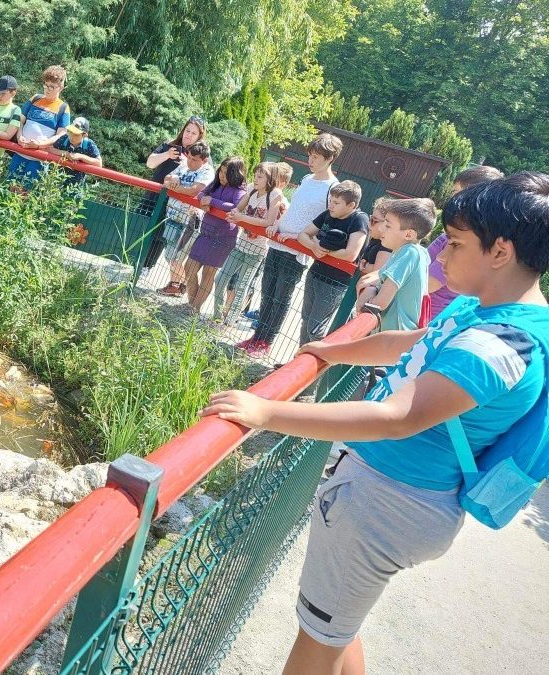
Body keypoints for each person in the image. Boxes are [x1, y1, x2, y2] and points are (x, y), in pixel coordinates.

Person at [199, 171, 549, 675]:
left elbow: (398, 416)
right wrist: (332, 351)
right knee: (336, 628)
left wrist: (265, 412)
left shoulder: (501, 342)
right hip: (386, 495)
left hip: (388, 502)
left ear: (501, 251)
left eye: (454, 243)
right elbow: (408, 343)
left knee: (316, 646)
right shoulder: (483, 310)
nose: (441, 255)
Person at [237, 133, 342, 357]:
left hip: (297, 250)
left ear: (329, 157)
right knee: (267, 292)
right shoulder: (306, 179)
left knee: (281, 297)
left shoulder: (333, 188)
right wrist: (278, 224)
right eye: (310, 156)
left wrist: (301, 237)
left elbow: (325, 220)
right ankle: (257, 337)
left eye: (316, 157)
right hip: (278, 243)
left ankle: (266, 342)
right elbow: (294, 208)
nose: (310, 161)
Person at [213, 162, 291, 326]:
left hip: (257, 250)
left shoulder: (275, 195)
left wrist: (242, 218)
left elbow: (268, 221)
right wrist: (235, 213)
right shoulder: (251, 189)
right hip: (241, 244)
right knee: (221, 279)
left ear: (270, 179)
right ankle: (217, 316)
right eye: (255, 175)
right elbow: (239, 208)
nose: (255, 179)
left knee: (242, 286)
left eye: (260, 177)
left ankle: (230, 321)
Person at [297, 180, 369, 344]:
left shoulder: (359, 220)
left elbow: (351, 253)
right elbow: (303, 235)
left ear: (351, 205)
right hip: (315, 273)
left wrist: (325, 252)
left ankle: (319, 365)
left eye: (336, 202)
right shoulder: (328, 214)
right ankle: (298, 361)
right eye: (331, 200)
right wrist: (315, 247)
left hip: (336, 282)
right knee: (306, 320)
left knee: (316, 328)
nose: (331, 205)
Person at [426, 165, 504, 316]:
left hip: (427, 316)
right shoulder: (450, 236)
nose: (452, 199)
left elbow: (429, 283)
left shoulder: (468, 240)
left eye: (456, 193)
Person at [355, 198, 435, 332]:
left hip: (388, 339)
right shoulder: (418, 253)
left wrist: (366, 300)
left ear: (408, 234)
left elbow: (380, 303)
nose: (381, 228)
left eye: (388, 226)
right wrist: (372, 288)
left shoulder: (409, 253)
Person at [142, 116, 208, 270]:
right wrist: (167, 155)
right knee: (141, 226)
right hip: (152, 197)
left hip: (174, 204)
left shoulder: (201, 157)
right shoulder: (169, 145)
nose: (188, 135)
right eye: (187, 130)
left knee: (160, 236)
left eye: (193, 133)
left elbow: (204, 182)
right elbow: (149, 163)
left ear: (199, 137)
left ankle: (147, 267)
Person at [184, 157, 248, 313]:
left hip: (223, 237)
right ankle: (192, 304)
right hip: (205, 233)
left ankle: (194, 309)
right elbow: (201, 194)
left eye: (227, 173)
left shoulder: (240, 190)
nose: (222, 176)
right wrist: (204, 200)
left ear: (235, 174)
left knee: (208, 273)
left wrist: (211, 201)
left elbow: (234, 206)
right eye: (221, 171)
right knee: (189, 268)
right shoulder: (215, 184)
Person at [155, 143, 214, 297]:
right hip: (173, 215)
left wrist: (174, 188)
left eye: (195, 160)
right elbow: (166, 179)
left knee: (176, 256)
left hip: (189, 219)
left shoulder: (207, 172)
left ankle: (180, 285)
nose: (190, 162)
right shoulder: (183, 165)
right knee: (169, 255)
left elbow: (194, 190)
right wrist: (173, 178)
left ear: (204, 160)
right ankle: (178, 285)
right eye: (189, 157)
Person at [8, 65, 71, 184]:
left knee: (26, 192)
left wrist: (39, 145)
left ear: (61, 87)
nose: (47, 89)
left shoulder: (63, 108)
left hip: (39, 159)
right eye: (46, 85)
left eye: (52, 87)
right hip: (20, 152)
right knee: (11, 186)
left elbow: (60, 135)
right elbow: (20, 120)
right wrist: (19, 136)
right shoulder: (35, 98)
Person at [48, 117, 102, 189]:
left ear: (84, 135)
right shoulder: (65, 138)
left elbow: (99, 163)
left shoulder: (89, 144)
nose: (71, 136)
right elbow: (50, 149)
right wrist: (65, 154)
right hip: (57, 181)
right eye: (70, 132)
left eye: (76, 134)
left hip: (76, 186)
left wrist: (81, 156)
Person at [357, 198, 392, 277]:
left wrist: (365, 265)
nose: (369, 223)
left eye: (374, 220)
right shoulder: (374, 239)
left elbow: (379, 271)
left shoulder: (388, 245)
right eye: (370, 218)